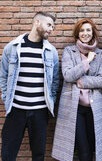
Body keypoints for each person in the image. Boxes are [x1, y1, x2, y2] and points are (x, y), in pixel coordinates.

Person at [0, 11, 59, 161]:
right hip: (16, 110)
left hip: (40, 112)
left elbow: (55, 81)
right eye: (49, 25)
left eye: (53, 26)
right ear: (37, 22)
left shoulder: (51, 52)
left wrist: (48, 104)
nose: (51, 29)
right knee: (8, 153)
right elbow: (4, 76)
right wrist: (7, 99)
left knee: (38, 154)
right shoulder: (12, 47)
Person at [52, 18, 102, 161]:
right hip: (74, 107)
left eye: (88, 30)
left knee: (92, 147)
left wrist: (82, 81)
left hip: (94, 109)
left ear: (93, 33)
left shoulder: (101, 55)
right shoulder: (69, 51)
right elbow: (68, 75)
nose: (85, 33)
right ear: (77, 34)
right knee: (83, 149)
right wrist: (87, 61)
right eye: (82, 30)